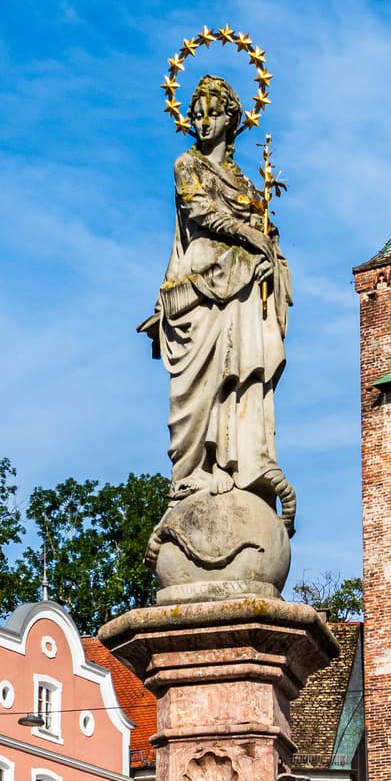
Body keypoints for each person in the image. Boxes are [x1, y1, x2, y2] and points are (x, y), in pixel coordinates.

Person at [139, 74, 294, 527]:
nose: (203, 122)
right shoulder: (186, 164)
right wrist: (251, 237)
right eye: (197, 114)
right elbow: (199, 210)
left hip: (240, 292)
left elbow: (268, 234)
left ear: (231, 119)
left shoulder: (246, 182)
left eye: (213, 114)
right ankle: (191, 475)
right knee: (195, 392)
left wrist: (268, 257)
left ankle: (236, 462)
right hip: (199, 290)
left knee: (239, 377)